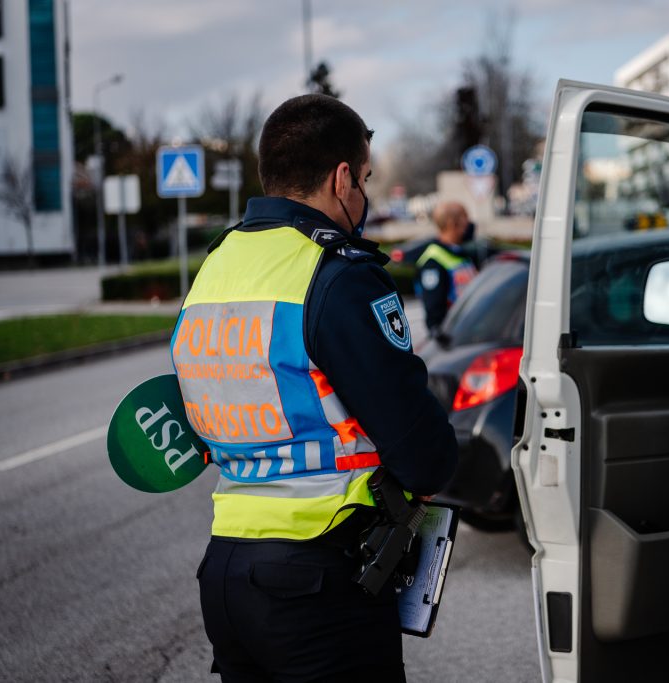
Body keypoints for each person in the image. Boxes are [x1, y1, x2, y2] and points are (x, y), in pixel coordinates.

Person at [171, 94, 457, 682]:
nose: (365, 197)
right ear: (342, 176)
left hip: (226, 573)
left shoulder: (216, 267)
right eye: (367, 179)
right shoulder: (336, 275)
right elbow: (423, 454)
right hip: (317, 582)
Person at [414, 201, 479, 336]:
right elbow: (434, 312)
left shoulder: (460, 253)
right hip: (453, 337)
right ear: (451, 224)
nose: (469, 224)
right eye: (465, 219)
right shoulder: (433, 261)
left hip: (468, 330)